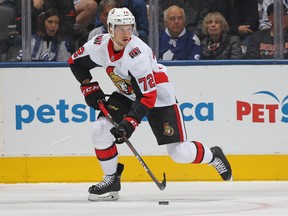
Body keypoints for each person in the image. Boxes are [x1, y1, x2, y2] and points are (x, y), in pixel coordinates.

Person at [68, 7, 232, 201]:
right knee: (100, 130)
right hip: (127, 93)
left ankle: (213, 156)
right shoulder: (98, 45)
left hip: (159, 97)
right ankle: (111, 180)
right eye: (120, 28)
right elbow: (75, 62)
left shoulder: (138, 55)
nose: (126, 33)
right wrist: (89, 87)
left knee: (178, 153)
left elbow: (147, 97)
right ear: (110, 29)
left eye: (129, 28)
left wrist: (129, 124)